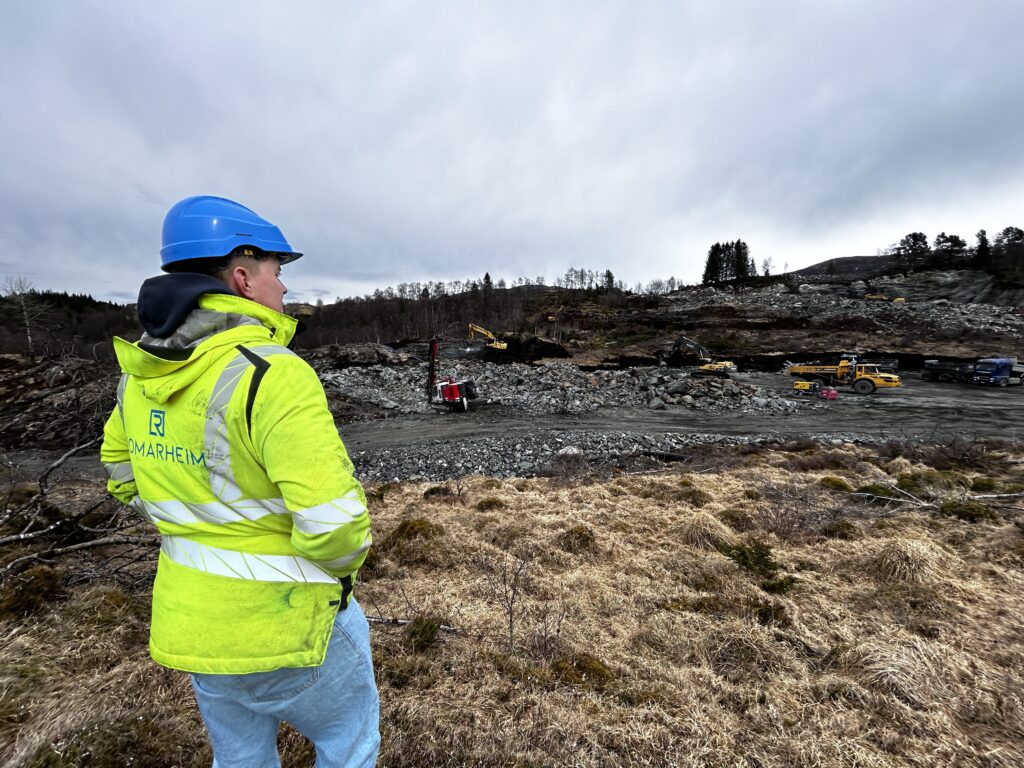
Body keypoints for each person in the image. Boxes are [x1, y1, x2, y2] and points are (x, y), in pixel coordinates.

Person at [100, 195, 379, 767]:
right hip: (290, 626)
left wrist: (183, 518)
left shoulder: (138, 376)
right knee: (349, 745)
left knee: (240, 760)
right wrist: (337, 578)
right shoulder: (272, 374)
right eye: (277, 270)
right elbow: (336, 526)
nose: (285, 287)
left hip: (195, 625)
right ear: (243, 276)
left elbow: (121, 472)